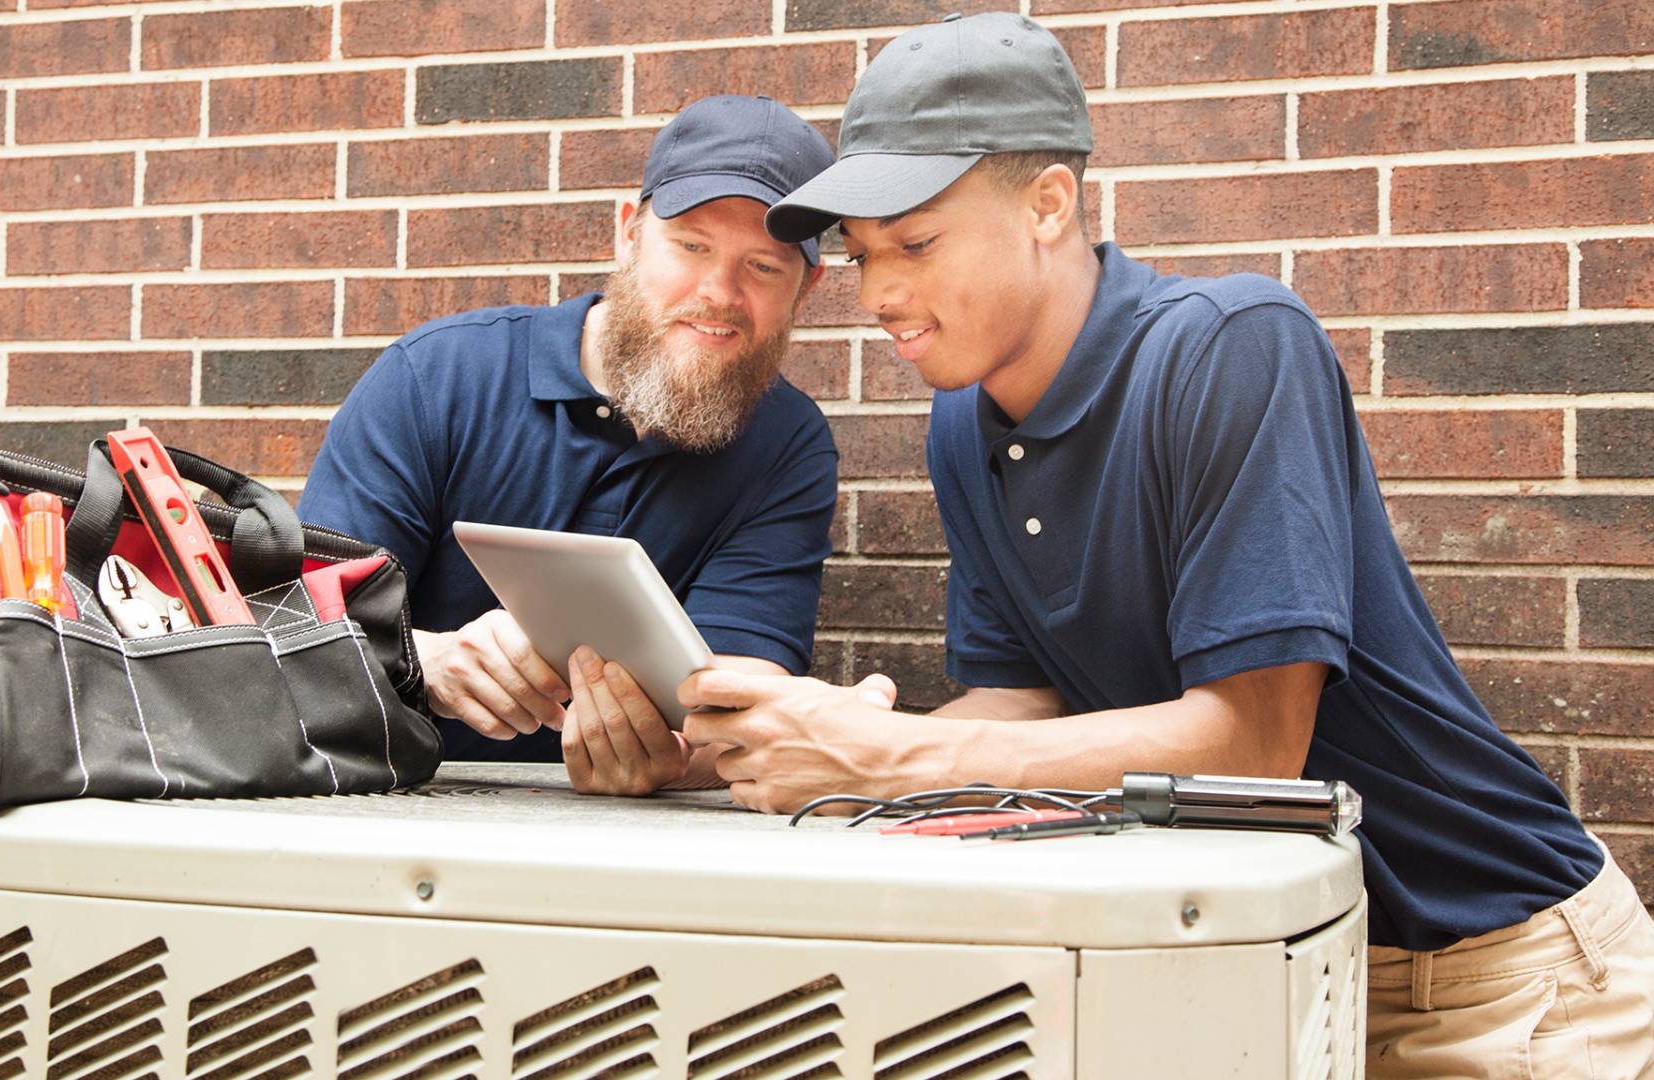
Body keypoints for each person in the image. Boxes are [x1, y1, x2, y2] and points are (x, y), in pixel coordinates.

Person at [676, 13, 1654, 1075]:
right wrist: (797, 750)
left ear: (1049, 203)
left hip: (1496, 982)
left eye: (917, 243)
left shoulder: (1234, 347)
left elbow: (1255, 746)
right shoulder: (964, 424)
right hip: (1267, 966)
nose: (883, 296)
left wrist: (895, 758)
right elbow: (1018, 702)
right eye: (863, 257)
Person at [299, 95, 839, 799]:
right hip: (382, 794)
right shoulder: (438, 377)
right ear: (628, 234)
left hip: (631, 841)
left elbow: (746, 689)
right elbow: (297, 617)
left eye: (764, 267)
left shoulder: (788, 444)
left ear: (807, 289)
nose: (719, 292)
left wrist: (678, 758)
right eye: (692, 244)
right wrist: (420, 662)